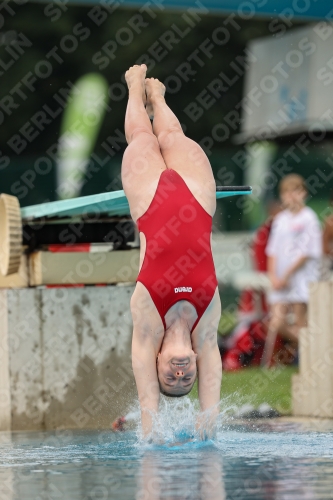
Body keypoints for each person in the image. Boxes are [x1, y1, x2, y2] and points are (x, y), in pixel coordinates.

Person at [121, 64, 222, 437]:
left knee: (142, 139)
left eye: (171, 377)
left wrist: (151, 422)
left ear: (158, 359)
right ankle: (159, 97)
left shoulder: (148, 320)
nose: (180, 373)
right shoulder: (207, 323)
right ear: (195, 360)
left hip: (150, 203)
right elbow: (213, 364)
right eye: (185, 379)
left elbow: (139, 365)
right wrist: (207, 421)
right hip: (198, 198)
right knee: (173, 133)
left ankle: (134, 88)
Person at [262, 174, 322, 367]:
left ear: (304, 193)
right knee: (277, 322)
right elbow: (272, 251)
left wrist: (287, 274)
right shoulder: (280, 220)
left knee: (301, 322)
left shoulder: (309, 218)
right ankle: (316, 350)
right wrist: (274, 276)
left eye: (296, 191)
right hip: (281, 281)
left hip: (301, 279)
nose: (292, 196)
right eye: (287, 192)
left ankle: (310, 361)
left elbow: (307, 253)